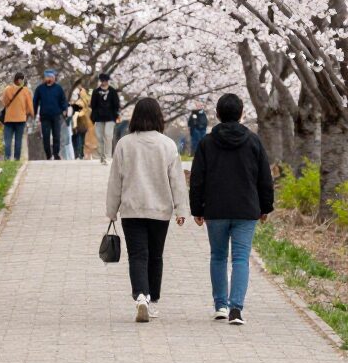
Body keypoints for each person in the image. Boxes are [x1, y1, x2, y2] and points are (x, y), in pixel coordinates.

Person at [189, 92, 274, 327]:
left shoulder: (206, 143)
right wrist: (266, 207)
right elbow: (264, 178)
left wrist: (197, 208)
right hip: (246, 209)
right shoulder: (253, 141)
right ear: (241, 114)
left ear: (216, 115)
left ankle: (220, 306)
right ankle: (236, 308)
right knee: (240, 259)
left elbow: (197, 178)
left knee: (217, 256)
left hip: (215, 209)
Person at [105, 97, 188, 322]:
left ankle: (140, 295)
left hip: (132, 210)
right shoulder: (167, 145)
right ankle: (152, 301)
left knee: (137, 256)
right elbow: (177, 181)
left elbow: (116, 180)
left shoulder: (124, 144)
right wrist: (182, 210)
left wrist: (111, 209)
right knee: (155, 256)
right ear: (158, 117)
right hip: (160, 210)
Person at [33, 69, 70, 159]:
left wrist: (65, 109)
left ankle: (56, 154)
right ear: (45, 78)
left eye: (51, 77)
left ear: (54, 78)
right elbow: (35, 101)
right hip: (45, 116)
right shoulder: (40, 89)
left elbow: (63, 100)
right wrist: (33, 113)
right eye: (47, 77)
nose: (49, 78)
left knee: (56, 135)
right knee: (46, 136)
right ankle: (48, 155)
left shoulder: (58, 88)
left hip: (56, 115)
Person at [0, 73, 33, 161]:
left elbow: (4, 102)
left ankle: (7, 159)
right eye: (23, 80)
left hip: (8, 119)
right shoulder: (26, 91)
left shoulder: (7, 89)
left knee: (8, 141)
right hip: (21, 119)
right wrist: (30, 114)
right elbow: (29, 106)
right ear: (20, 80)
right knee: (18, 140)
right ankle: (16, 159)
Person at [90, 73, 121, 164]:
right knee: (99, 137)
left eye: (105, 81)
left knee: (108, 135)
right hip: (99, 117)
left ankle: (108, 156)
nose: (104, 82)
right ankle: (101, 156)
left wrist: (116, 114)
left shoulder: (112, 91)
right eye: (102, 80)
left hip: (110, 117)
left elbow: (116, 104)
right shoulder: (96, 91)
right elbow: (93, 104)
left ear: (108, 81)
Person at [70, 80, 91, 159]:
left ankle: (79, 154)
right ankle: (79, 154)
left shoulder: (81, 93)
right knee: (79, 137)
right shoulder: (77, 93)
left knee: (80, 137)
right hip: (80, 119)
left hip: (81, 119)